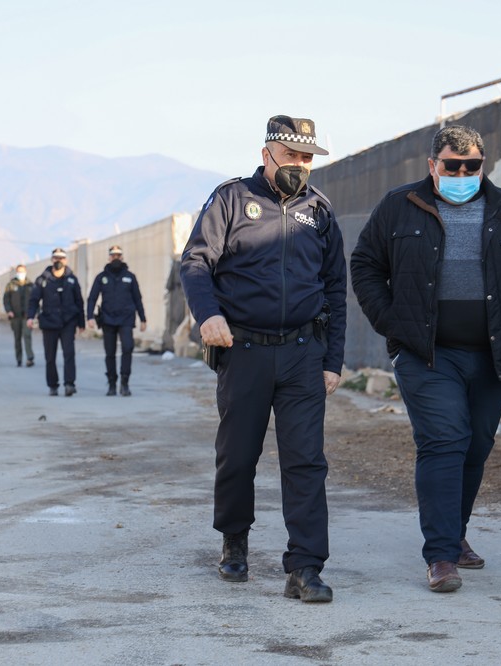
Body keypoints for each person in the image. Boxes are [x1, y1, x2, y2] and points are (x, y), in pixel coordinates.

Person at [351, 125, 501, 593]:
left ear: (483, 165)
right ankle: (441, 555)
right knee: (444, 440)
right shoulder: (399, 205)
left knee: (475, 445)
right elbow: (365, 264)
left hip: (492, 352)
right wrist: (393, 322)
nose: (462, 174)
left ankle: (455, 533)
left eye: (472, 167)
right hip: (426, 352)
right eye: (452, 166)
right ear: (433, 165)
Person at [180, 115, 346, 603]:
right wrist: (208, 315)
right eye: (291, 155)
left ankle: (305, 567)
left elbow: (336, 288)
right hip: (243, 350)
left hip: (303, 353)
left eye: (307, 158)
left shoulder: (319, 211)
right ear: (267, 153)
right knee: (237, 456)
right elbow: (195, 262)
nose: (300, 165)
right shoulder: (231, 199)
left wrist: (332, 359)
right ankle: (234, 540)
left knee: (306, 461)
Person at [86, 245, 147, 396]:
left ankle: (124, 382)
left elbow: (137, 299)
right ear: (109, 257)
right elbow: (92, 297)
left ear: (122, 257)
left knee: (127, 348)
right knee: (110, 352)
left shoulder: (130, 277)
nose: (116, 258)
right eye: (113, 255)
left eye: (118, 255)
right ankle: (112, 383)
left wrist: (143, 318)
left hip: (126, 319)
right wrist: (90, 316)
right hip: (108, 319)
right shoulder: (101, 277)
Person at [27, 248, 85, 396]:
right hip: (49, 322)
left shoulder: (72, 279)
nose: (59, 261)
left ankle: (69, 384)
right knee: (50, 357)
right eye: (56, 258)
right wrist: (30, 317)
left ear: (66, 260)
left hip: (68, 322)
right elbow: (34, 300)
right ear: (52, 260)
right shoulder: (42, 280)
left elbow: (79, 301)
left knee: (69, 354)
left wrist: (81, 323)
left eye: (62, 258)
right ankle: (53, 385)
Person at [3, 264, 35, 367]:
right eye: (19, 271)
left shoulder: (30, 285)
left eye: (22, 271)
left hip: (27, 316)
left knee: (27, 335)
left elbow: (35, 300)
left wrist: (34, 313)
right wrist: (9, 311)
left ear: (25, 272)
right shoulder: (11, 285)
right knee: (17, 338)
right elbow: (6, 299)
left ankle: (30, 358)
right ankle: (19, 358)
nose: (21, 273)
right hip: (15, 316)